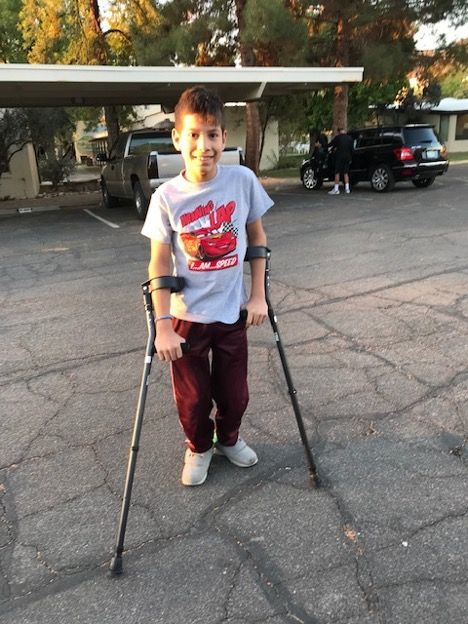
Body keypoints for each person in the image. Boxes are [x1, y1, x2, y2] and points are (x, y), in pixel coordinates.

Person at [141, 86, 274, 486]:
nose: (204, 145)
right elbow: (160, 262)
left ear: (224, 138)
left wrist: (257, 296)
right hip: (186, 319)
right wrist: (162, 325)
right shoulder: (167, 197)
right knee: (194, 399)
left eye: (212, 134)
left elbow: (257, 239)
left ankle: (228, 439)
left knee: (235, 394)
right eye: (194, 135)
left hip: (233, 312)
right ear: (177, 138)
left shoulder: (242, 180)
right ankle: (199, 446)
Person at [328, 127, 353, 195]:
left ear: (339, 132)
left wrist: (323, 145)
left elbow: (330, 145)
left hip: (339, 158)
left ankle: (336, 189)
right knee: (346, 173)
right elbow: (351, 149)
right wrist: (350, 158)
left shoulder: (337, 138)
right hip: (347, 157)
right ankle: (347, 189)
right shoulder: (349, 138)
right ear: (344, 131)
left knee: (337, 172)